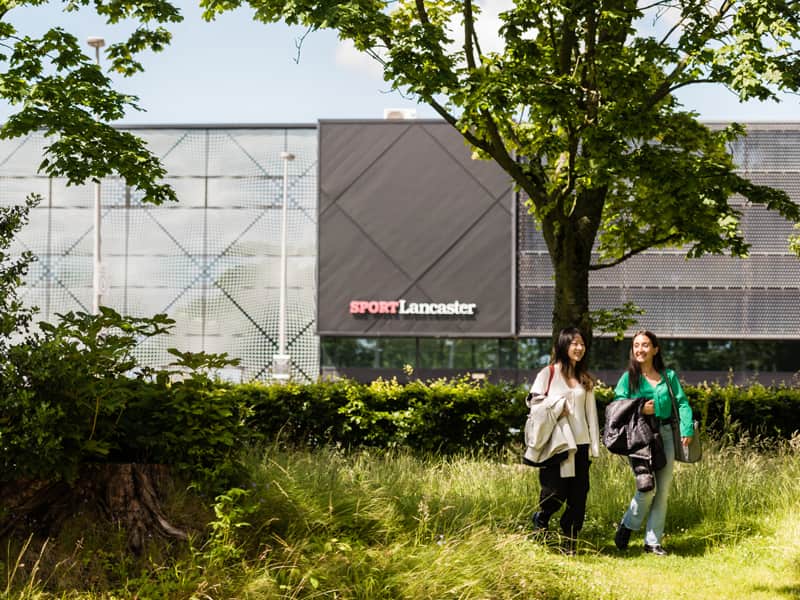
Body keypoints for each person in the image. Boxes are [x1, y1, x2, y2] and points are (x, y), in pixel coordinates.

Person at [613, 330, 694, 556]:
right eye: (636, 345)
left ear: (655, 349)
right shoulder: (628, 378)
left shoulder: (668, 376)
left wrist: (687, 429)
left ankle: (653, 542)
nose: (640, 349)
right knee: (646, 487)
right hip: (639, 437)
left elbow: (683, 403)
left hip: (665, 434)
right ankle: (628, 524)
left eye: (645, 345)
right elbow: (618, 405)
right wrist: (640, 407)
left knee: (663, 490)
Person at [528, 327, 600, 553]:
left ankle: (570, 540)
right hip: (556, 444)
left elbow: (592, 415)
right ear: (564, 345)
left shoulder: (585, 379)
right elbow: (533, 403)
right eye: (574, 343)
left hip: (580, 445)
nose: (579, 348)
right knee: (554, 493)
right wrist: (557, 405)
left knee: (579, 496)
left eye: (582, 344)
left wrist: (594, 446)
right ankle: (541, 519)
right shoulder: (547, 373)